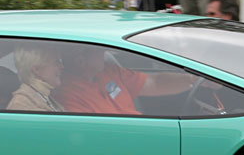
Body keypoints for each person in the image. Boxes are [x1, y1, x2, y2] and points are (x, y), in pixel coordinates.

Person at [55, 43, 195, 115]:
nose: (105, 53)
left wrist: (192, 79)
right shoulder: (68, 95)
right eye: (99, 50)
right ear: (80, 61)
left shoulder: (109, 71)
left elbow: (154, 83)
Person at [7, 45, 65, 112]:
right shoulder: (20, 105)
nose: (62, 66)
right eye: (56, 62)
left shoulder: (45, 98)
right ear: (37, 69)